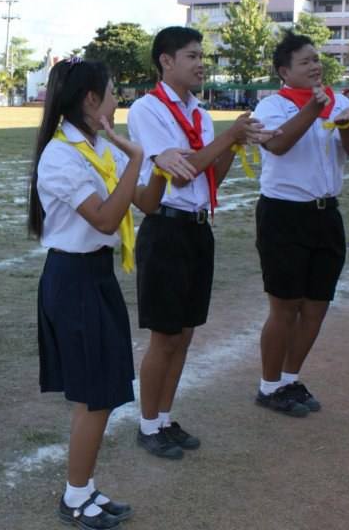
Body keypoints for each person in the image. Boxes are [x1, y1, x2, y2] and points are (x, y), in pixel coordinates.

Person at [28, 58, 194, 529]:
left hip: (97, 276)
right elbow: (103, 218)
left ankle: (82, 490)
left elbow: (146, 202)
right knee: (93, 395)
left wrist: (159, 165)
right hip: (72, 278)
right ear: (90, 100)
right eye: (113, 90)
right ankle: (75, 497)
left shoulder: (103, 146)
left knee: (98, 393)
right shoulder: (61, 155)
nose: (118, 97)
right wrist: (141, 158)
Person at [127, 26, 271, 458]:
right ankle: (148, 425)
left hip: (197, 227)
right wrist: (227, 137)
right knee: (164, 336)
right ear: (165, 61)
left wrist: (232, 144)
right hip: (166, 229)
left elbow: (210, 176)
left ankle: (166, 418)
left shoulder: (201, 114)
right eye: (191, 56)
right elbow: (180, 171)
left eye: (202, 56)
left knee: (185, 334)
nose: (201, 64)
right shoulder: (147, 110)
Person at [252, 31, 349, 417]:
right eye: (305, 62)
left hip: (325, 214)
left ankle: (290, 378)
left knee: (317, 306)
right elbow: (278, 144)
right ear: (284, 71)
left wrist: (347, 124)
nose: (316, 66)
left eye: (317, 59)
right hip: (284, 214)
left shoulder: (340, 102)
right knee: (284, 307)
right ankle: (269, 386)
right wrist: (314, 111)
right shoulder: (272, 107)